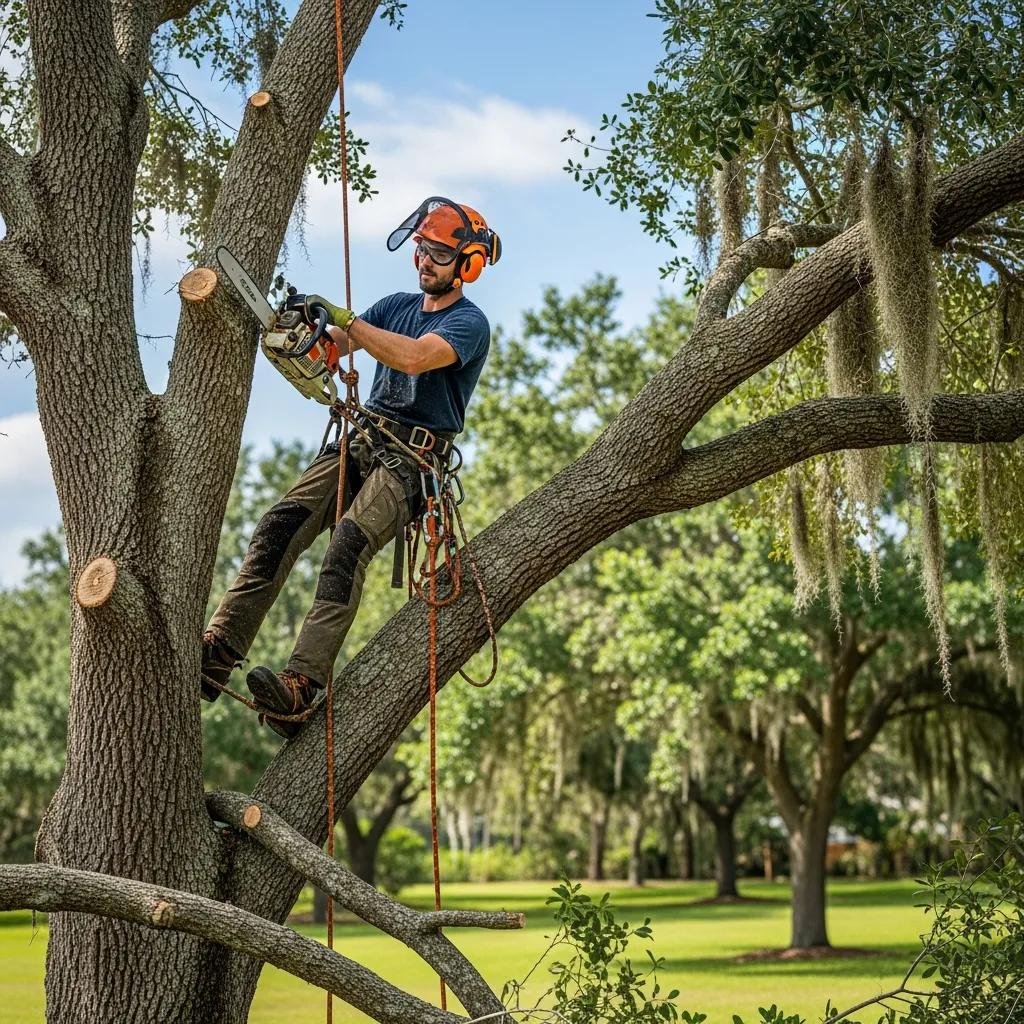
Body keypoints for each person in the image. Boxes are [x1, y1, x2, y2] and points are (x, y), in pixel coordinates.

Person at [201, 197, 501, 737]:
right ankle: (219, 648)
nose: (425, 261)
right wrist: (309, 329)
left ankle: (301, 686)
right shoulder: (393, 305)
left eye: (437, 252)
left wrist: (349, 322)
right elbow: (334, 344)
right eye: (421, 250)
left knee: (346, 548)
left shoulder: (468, 323)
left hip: (412, 459)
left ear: (467, 264)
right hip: (363, 437)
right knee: (279, 525)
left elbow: (411, 357)